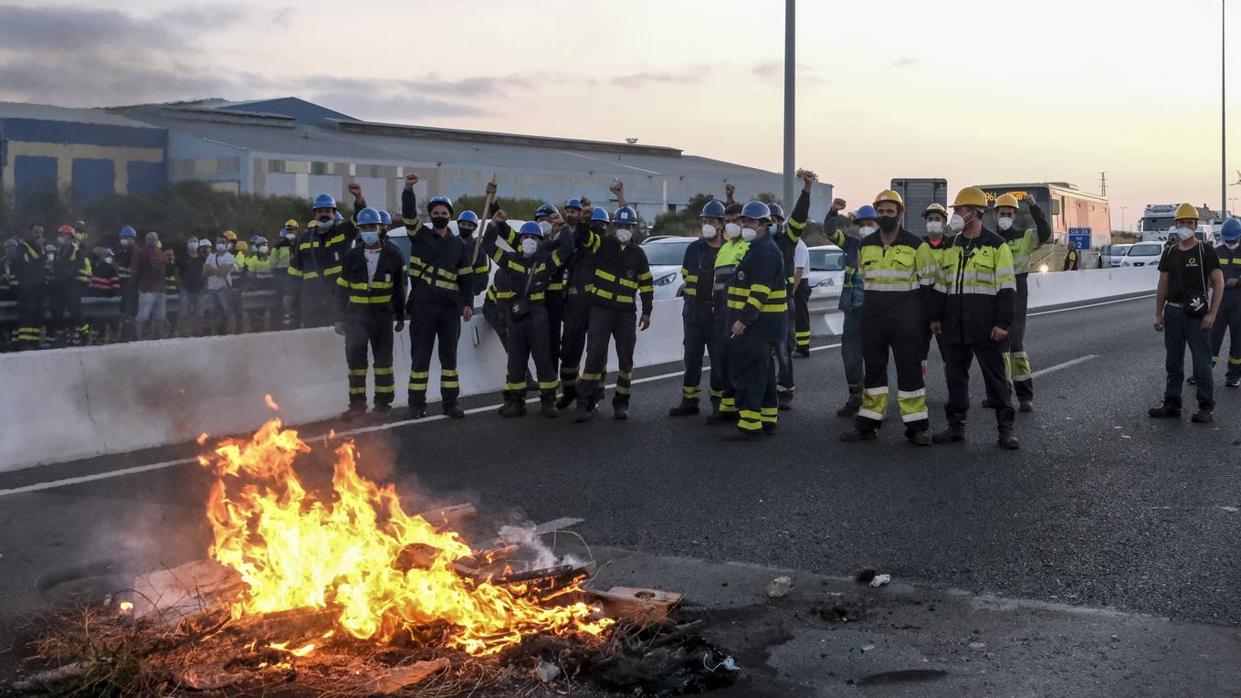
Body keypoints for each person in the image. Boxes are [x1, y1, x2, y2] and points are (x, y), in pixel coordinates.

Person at [839, 189, 937, 446]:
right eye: (880, 212)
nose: (884, 216)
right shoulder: (866, 245)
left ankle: (916, 428)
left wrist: (929, 321)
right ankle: (868, 424)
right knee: (873, 374)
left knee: (910, 374)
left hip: (907, 321)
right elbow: (863, 281)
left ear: (900, 214)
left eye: (889, 211)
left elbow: (929, 288)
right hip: (873, 320)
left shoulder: (917, 246)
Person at [930, 187, 1020, 449]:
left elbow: (1006, 286)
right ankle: (956, 426)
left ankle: (1006, 429)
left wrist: (1003, 323)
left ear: (974, 212)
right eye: (955, 210)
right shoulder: (952, 244)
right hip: (954, 325)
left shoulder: (996, 246)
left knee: (996, 379)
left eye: (959, 210)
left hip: (985, 325)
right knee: (955, 378)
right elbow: (941, 282)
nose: (955, 214)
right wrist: (936, 316)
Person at [483, 214, 575, 417]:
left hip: (537, 315)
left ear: (540, 241)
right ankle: (517, 402)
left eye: (534, 238)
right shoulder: (510, 260)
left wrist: (564, 227)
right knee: (516, 360)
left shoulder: (546, 263)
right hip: (516, 316)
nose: (529, 241)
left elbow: (567, 249)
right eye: (525, 237)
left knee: (543, 359)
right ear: (520, 240)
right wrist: (494, 224)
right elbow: (488, 245)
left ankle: (548, 401)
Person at [401, 172, 474, 419]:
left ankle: (450, 404)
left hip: (449, 309)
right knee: (420, 358)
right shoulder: (419, 235)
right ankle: (416, 405)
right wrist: (408, 191)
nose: (440, 216)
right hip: (423, 306)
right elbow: (409, 215)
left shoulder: (459, 246)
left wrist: (468, 304)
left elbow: (466, 277)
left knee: (449, 359)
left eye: (444, 213)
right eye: (436, 212)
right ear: (430, 215)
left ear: (450, 216)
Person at [573, 203, 654, 422]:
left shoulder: (639, 255)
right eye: (620, 224)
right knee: (594, 357)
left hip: (626, 315)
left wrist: (647, 311)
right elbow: (584, 238)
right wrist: (582, 221)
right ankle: (585, 403)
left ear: (633, 228)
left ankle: (621, 403)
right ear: (614, 225)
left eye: (628, 225)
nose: (623, 228)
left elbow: (646, 285)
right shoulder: (603, 244)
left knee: (625, 360)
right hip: (601, 311)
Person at [1149, 203, 1226, 422]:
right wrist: (1158, 313)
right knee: (1173, 361)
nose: (1185, 226)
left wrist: (1212, 313)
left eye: (1189, 223)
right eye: (1181, 222)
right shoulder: (1170, 252)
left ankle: (1205, 405)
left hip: (1197, 315)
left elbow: (1218, 282)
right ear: (1175, 225)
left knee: (1201, 362)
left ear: (1195, 224)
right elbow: (1162, 284)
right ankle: (1172, 402)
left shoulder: (1205, 251)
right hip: (1173, 312)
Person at [333, 208, 406, 418]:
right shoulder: (352, 256)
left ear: (380, 228)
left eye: (372, 227)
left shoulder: (393, 255)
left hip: (382, 318)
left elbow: (399, 289)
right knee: (356, 364)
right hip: (356, 318)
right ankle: (357, 406)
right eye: (364, 228)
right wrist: (338, 317)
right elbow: (342, 289)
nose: (368, 231)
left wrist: (400, 315)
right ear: (359, 230)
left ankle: (382, 405)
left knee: (383, 363)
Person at [724, 201, 787, 441]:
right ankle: (768, 418)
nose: (744, 225)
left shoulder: (765, 252)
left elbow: (759, 293)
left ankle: (750, 423)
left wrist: (743, 320)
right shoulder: (758, 247)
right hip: (763, 324)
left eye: (749, 222)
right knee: (764, 371)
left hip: (757, 325)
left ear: (763, 224)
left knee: (750, 372)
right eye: (743, 221)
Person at [669, 199, 727, 417]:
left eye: (711, 220)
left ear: (721, 223)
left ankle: (718, 402)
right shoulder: (693, 249)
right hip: (693, 312)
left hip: (718, 314)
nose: (707, 224)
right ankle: (689, 400)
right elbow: (686, 278)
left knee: (718, 358)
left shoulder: (728, 250)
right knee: (691, 358)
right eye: (704, 220)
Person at [995, 192, 1051, 412]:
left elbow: (1045, 234)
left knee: (1015, 345)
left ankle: (1024, 395)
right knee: (998, 348)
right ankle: (1001, 394)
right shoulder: (991, 240)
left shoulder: (1025, 237)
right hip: (996, 293)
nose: (1005, 217)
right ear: (996, 215)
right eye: (1002, 213)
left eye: (1009, 213)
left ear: (1015, 216)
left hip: (1017, 292)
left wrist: (1034, 207)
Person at [769, 172, 817, 410]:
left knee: (783, 350)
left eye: (776, 220)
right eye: (768, 221)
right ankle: (763, 391)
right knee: (760, 353)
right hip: (757, 307)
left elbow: (799, 217)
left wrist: (806, 190)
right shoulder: (750, 245)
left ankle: (785, 392)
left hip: (782, 305)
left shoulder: (787, 241)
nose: (772, 224)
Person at [285, 185, 365, 328]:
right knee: (312, 341)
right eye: (320, 211)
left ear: (334, 213)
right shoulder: (304, 239)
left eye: (328, 211)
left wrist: (358, 198)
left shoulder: (343, 232)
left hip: (339, 298)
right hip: (311, 301)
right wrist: (289, 294)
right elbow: (294, 270)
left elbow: (360, 218)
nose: (324, 214)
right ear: (315, 214)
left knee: (339, 340)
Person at [706, 201, 752, 424]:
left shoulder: (748, 247)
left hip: (738, 312)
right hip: (721, 313)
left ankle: (745, 408)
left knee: (740, 362)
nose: (732, 225)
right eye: (729, 221)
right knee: (722, 361)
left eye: (737, 221)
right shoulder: (725, 248)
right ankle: (727, 407)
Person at [557, 200, 605, 409]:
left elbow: (586, 238)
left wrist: (584, 221)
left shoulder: (598, 241)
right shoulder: (568, 237)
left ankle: (593, 395)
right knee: (568, 351)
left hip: (594, 303)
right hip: (573, 304)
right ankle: (569, 391)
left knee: (595, 352)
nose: (571, 214)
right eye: (569, 211)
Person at [823, 199, 865, 417]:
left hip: (877, 312)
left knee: (876, 359)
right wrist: (832, 212)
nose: (867, 227)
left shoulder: (889, 247)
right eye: (863, 223)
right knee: (850, 357)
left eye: (871, 223)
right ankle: (855, 397)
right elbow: (829, 231)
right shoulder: (851, 244)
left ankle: (875, 402)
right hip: (853, 310)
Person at [48, 224, 91, 346]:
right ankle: (62, 336)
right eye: (60, 235)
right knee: (56, 310)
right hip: (60, 288)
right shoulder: (59, 252)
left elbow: (82, 271)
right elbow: (55, 269)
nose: (61, 238)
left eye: (64, 235)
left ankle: (85, 336)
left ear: (71, 237)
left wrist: (71, 274)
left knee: (76, 313)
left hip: (73, 287)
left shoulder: (77, 252)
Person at [1210, 218, 1241, 388]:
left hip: (1239, 304)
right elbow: (1210, 273)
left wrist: (1237, 281)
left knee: (1238, 341)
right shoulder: (1217, 251)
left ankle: (1234, 374)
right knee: (1212, 337)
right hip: (1220, 303)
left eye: (1232, 239)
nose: (1229, 242)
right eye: (1226, 239)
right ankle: (1204, 371)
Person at [13, 225, 47, 350]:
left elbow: (43, 266)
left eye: (41, 232)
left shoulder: (41, 248)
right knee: (26, 318)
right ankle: (24, 344)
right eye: (36, 232)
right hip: (26, 289)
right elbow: (29, 263)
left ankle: (34, 343)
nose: (39, 235)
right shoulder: (22, 247)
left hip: (38, 290)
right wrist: (40, 248)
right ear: (29, 232)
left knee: (37, 318)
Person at [130, 231, 168, 340]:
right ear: (145, 240)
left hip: (160, 289)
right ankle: (139, 337)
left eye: (154, 238)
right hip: (146, 289)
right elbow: (134, 271)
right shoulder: (140, 253)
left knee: (160, 316)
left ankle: (157, 336)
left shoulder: (162, 253)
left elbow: (167, 270)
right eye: (149, 238)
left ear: (157, 240)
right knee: (143, 315)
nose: (151, 240)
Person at [203, 236, 238, 335]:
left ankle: (230, 331)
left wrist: (212, 270)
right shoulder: (211, 256)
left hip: (224, 288)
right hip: (212, 288)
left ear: (226, 244)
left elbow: (222, 272)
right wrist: (215, 270)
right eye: (218, 242)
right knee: (213, 312)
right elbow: (204, 270)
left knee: (228, 311)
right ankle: (214, 332)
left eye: (222, 242)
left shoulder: (229, 257)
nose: (220, 244)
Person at [177, 238, 207, 336]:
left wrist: (205, 285)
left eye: (195, 241)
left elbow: (206, 271)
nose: (193, 244)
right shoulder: (182, 258)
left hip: (200, 289)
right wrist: (180, 285)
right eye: (191, 241)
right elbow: (177, 272)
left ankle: (198, 333)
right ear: (187, 244)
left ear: (198, 244)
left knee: (199, 314)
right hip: (185, 288)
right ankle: (183, 333)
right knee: (184, 313)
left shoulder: (202, 258)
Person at [115, 225, 138, 338]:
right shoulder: (123, 251)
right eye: (122, 237)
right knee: (124, 309)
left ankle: (131, 334)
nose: (123, 240)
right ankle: (127, 332)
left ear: (132, 239)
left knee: (130, 310)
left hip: (131, 286)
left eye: (125, 238)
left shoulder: (134, 252)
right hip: (124, 285)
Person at [792, 236, 812, 357]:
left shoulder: (799, 247)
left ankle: (803, 348)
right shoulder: (794, 245)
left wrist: (792, 290)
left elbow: (799, 271)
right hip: (797, 284)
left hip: (799, 285)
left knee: (801, 317)